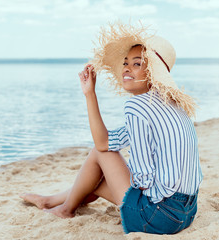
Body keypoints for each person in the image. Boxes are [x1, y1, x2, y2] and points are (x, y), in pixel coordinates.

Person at [20, 22, 203, 234]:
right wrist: (90, 94)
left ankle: (65, 209)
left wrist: (110, 176)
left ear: (153, 72)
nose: (126, 68)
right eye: (126, 63)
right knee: (99, 165)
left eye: (137, 64)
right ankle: (51, 201)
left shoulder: (138, 106)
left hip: (161, 216)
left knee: (99, 163)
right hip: (186, 212)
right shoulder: (168, 104)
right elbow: (105, 141)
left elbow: (142, 180)